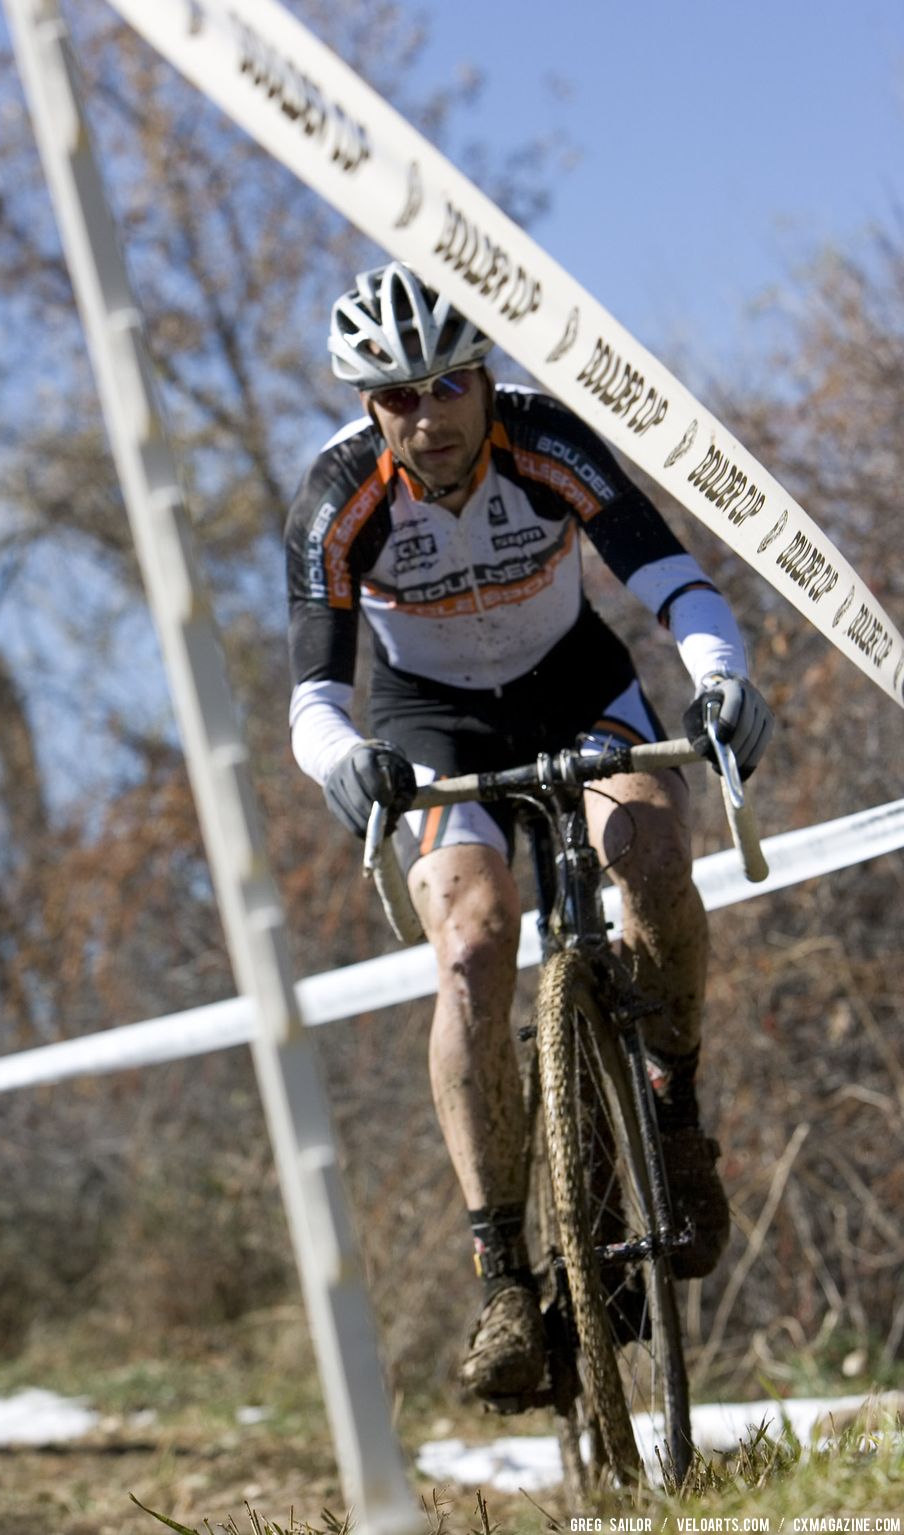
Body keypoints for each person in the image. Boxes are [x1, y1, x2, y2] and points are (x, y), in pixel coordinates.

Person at [284, 261, 773, 1409]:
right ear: (368, 407)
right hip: (431, 720)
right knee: (468, 943)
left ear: (484, 377)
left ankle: (673, 1109)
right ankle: (503, 1273)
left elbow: (676, 581)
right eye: (396, 396)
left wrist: (720, 679)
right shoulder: (339, 493)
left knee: (650, 857)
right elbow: (313, 691)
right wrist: (342, 760)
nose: (427, 414)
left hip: (576, 684)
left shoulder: (547, 439)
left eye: (448, 384)